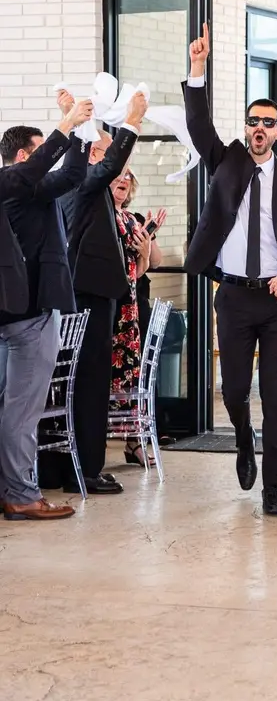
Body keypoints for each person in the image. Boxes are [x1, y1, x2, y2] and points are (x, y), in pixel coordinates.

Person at [184, 24, 277, 516]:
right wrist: (198, 68)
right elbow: (198, 125)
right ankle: (244, 441)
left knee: (275, 393)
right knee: (236, 391)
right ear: (246, 128)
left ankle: (272, 488)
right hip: (235, 297)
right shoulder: (226, 162)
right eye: (253, 121)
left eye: (268, 122)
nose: (259, 128)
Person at [0, 97, 94, 520]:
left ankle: (11, 489)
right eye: (39, 153)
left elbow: (72, 174)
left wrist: (79, 130)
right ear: (23, 157)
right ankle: (21, 494)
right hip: (28, 314)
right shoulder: (15, 184)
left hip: (17, 313)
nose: (45, 161)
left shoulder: (27, 187)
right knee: (22, 411)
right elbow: (47, 171)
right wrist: (67, 123)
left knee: (12, 408)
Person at [61, 92, 149, 496]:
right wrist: (133, 120)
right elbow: (112, 165)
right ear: (94, 155)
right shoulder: (84, 181)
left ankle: (78, 467)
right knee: (91, 382)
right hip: (90, 294)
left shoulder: (76, 182)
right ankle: (87, 470)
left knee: (85, 382)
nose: (118, 164)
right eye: (107, 151)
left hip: (88, 292)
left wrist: (73, 118)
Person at [109, 169, 162, 467]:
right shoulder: (103, 216)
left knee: (132, 374)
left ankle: (134, 440)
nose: (124, 180)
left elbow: (140, 270)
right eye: (119, 176)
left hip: (130, 307)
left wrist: (145, 248)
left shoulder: (131, 219)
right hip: (109, 306)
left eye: (128, 178)